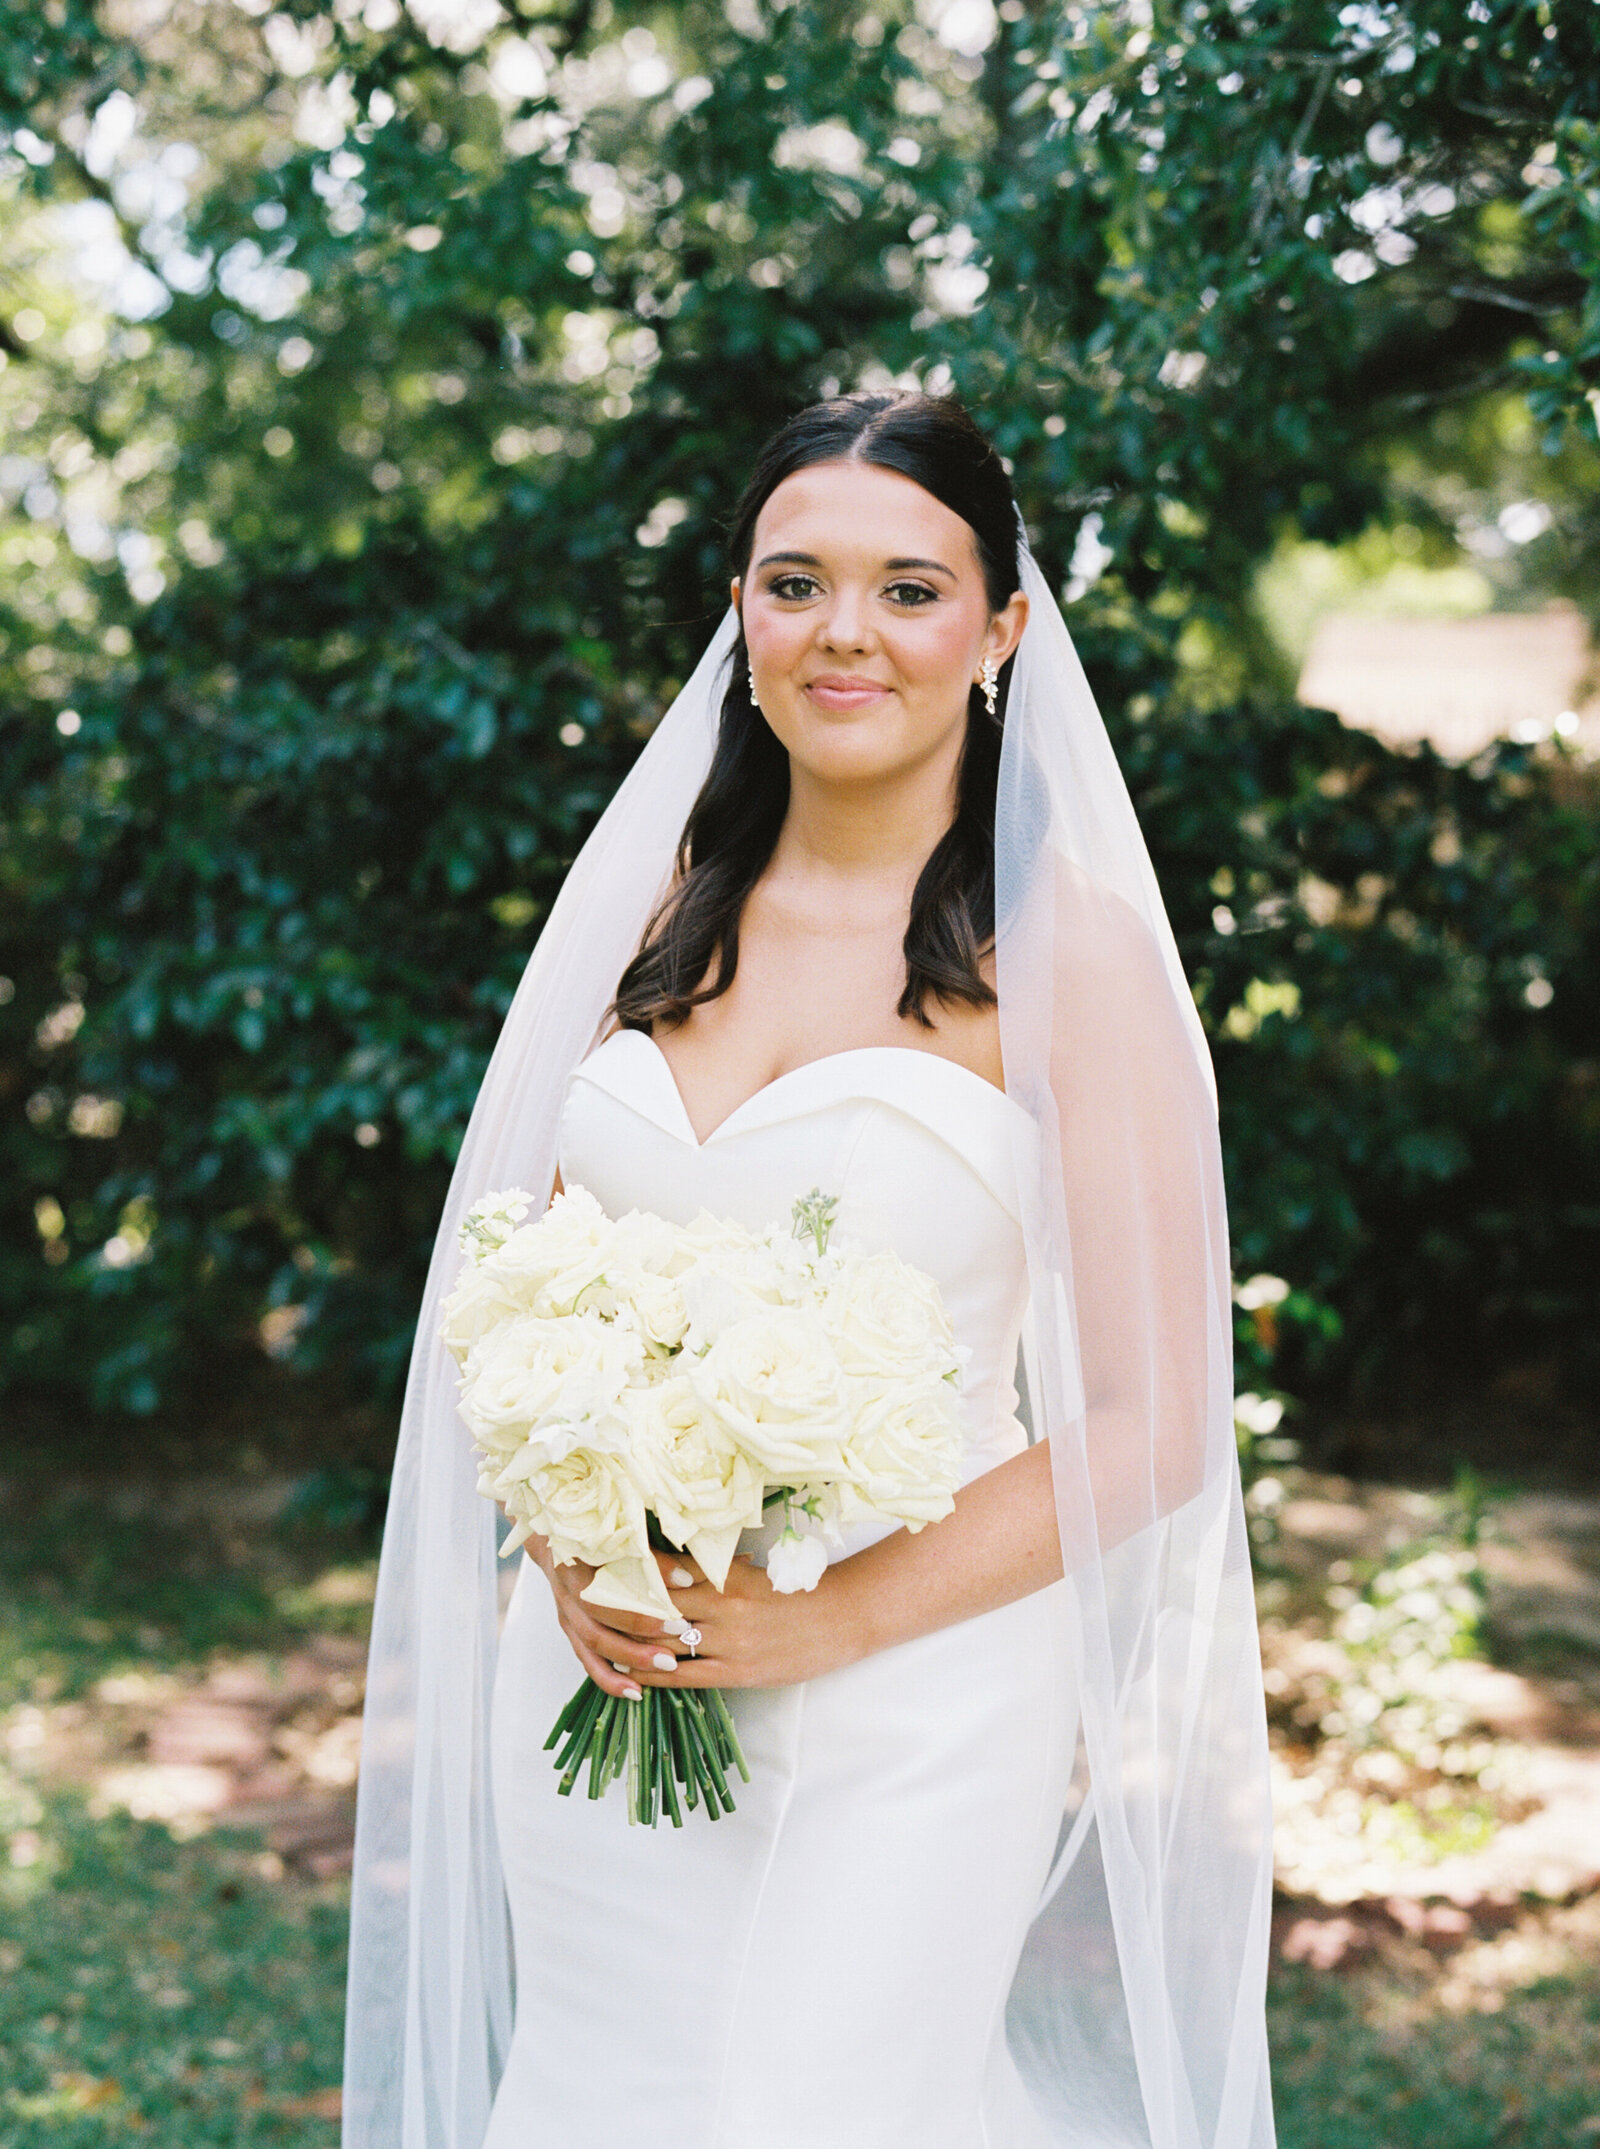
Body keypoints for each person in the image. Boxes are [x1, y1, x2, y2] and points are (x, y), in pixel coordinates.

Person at [342, 393, 1277, 2149]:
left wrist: (821, 1621)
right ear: (744, 616)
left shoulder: (1068, 955)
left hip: (906, 1701)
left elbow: (1157, 1421)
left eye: (910, 588)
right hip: (604, 1665)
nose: (846, 632)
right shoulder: (655, 907)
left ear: (1001, 628)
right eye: (798, 583)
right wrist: (567, 1535)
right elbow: (515, 1282)